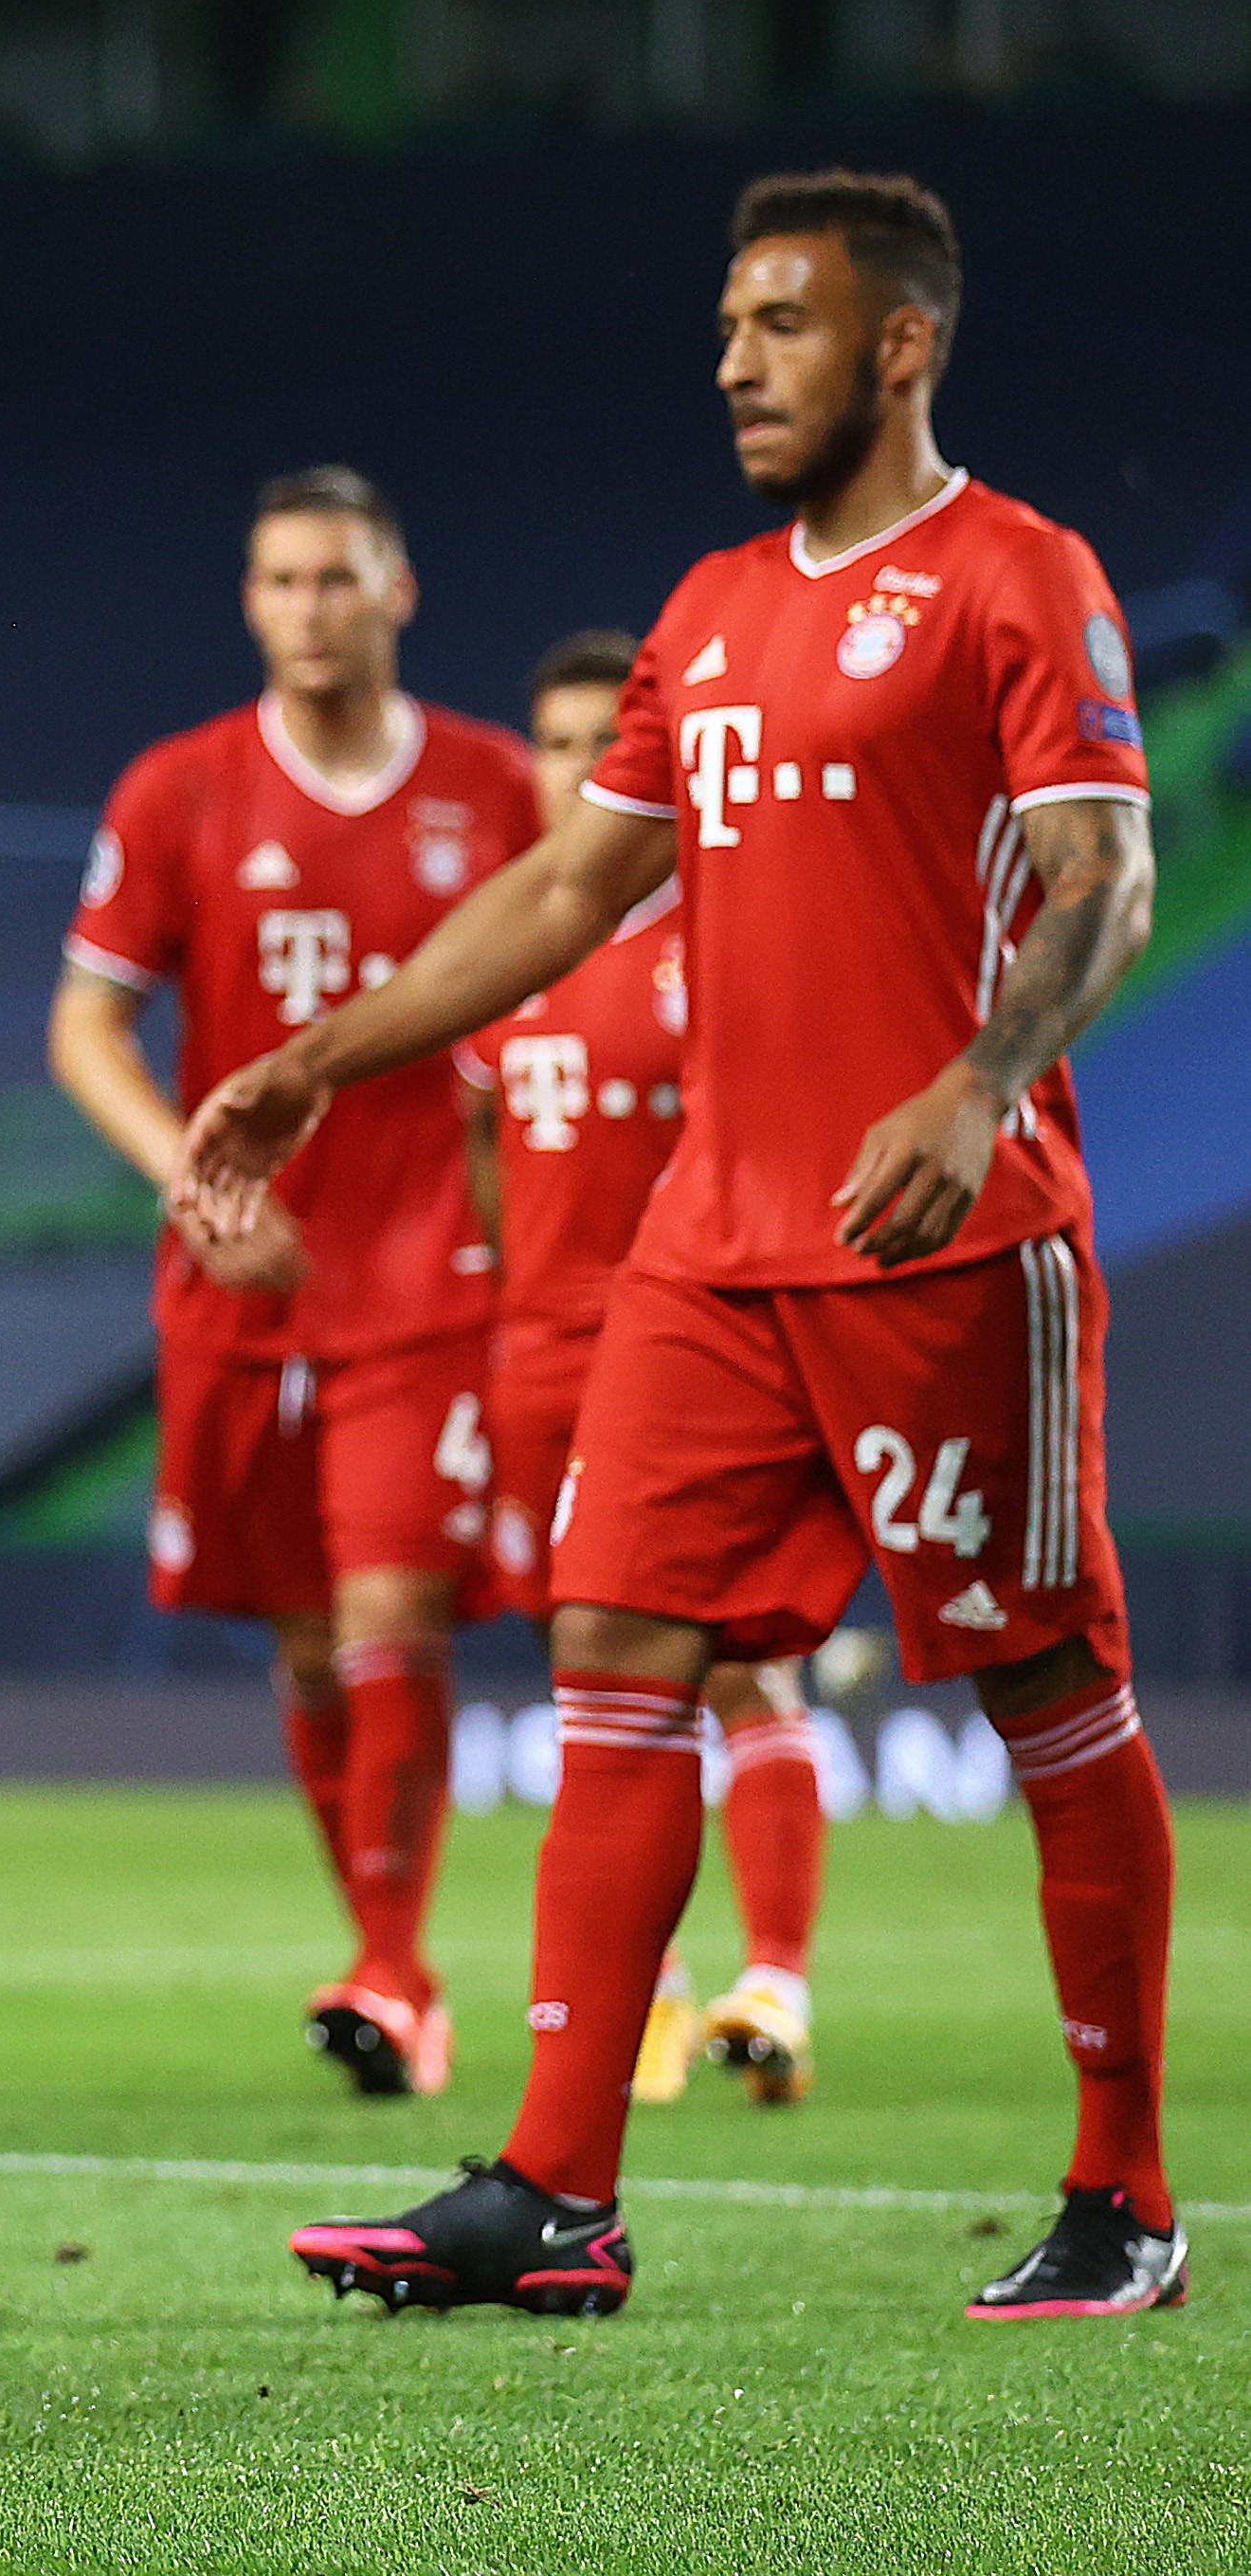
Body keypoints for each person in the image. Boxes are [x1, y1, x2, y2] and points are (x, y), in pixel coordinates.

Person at [194, 169, 1171, 2319]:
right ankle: (551, 2194)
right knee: (609, 1658)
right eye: (725, 325)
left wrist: (980, 1074)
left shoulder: (1018, 576)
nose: (733, 361)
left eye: (781, 324)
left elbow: (1105, 873)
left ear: (896, 343)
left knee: (1042, 1690)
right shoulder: (709, 607)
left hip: (937, 1239)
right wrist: (316, 1062)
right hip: (707, 1254)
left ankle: (1125, 2195)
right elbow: (562, 897)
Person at [52, 468, 534, 2100]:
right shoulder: (179, 789)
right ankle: (385, 1949)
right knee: (310, 1644)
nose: (307, 608)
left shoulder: (498, 787)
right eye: (279, 581)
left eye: (336, 578)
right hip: (241, 1278)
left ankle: (392, 1972)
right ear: (249, 602)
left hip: (425, 1271)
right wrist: (184, 1182)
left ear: (397, 591)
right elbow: (86, 1027)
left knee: (396, 1606)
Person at [459, 632, 826, 2110]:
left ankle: (779, 1981)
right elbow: (487, 1150)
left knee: (735, 1655)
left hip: (696, 1346)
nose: (575, 768)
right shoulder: (512, 944)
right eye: (550, 742)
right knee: (593, 1677)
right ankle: (658, 1994)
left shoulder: (730, 931)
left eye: (601, 740)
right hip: (541, 1357)